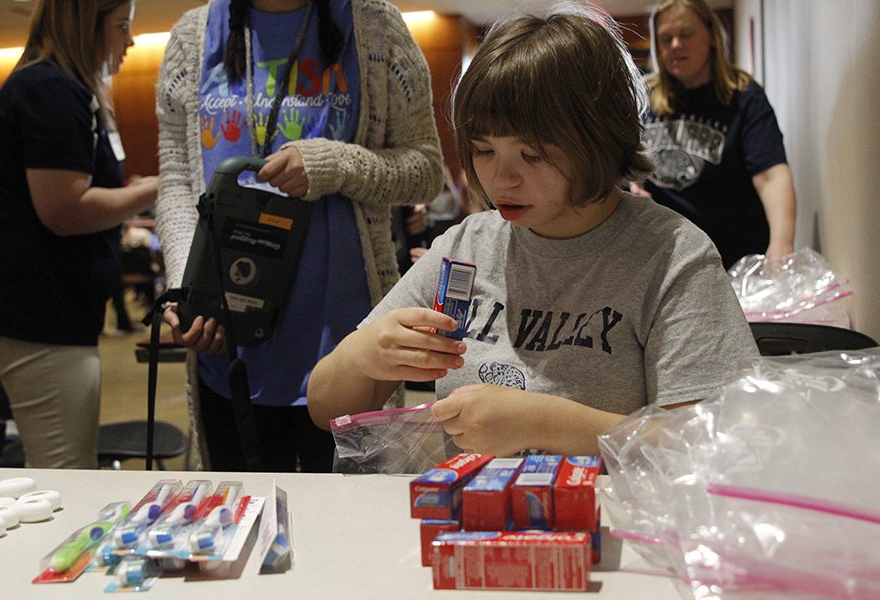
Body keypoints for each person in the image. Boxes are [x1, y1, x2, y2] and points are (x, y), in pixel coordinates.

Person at [306, 4, 759, 458]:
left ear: (599, 139)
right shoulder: (465, 247)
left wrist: (543, 423)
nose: (500, 180)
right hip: (467, 517)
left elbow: (715, 442)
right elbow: (325, 408)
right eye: (483, 150)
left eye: (534, 156)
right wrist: (362, 356)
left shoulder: (672, 255)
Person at [155, 0, 443, 472]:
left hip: (347, 356)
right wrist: (190, 289)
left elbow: (426, 170)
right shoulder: (193, 36)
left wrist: (335, 164)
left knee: (346, 534)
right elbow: (178, 184)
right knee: (241, 530)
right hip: (228, 353)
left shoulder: (375, 28)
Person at [0, 0, 157, 468]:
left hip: (42, 316)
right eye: (122, 26)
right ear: (85, 24)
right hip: (39, 323)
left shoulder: (53, 87)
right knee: (64, 479)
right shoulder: (51, 89)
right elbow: (65, 209)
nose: (130, 40)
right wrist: (159, 189)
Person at [633, 0, 796, 270]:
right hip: (665, 255)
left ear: (711, 36)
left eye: (686, 34)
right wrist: (634, 185)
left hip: (733, 257)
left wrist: (781, 244)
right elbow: (624, 162)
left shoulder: (743, 96)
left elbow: (771, 175)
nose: (675, 45)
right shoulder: (644, 97)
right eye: (666, 38)